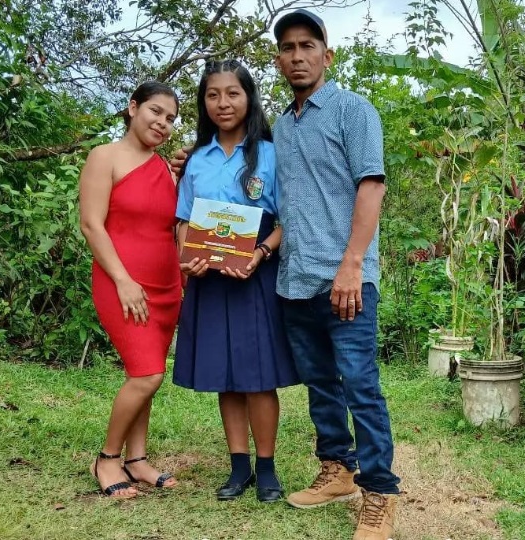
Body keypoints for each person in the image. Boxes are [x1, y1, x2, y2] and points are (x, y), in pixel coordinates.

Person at [272, 10, 399, 540]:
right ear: (279, 59)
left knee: (360, 385)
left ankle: (380, 493)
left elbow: (372, 187)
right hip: (294, 279)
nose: (297, 56)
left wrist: (351, 265)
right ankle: (337, 470)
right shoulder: (280, 125)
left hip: (346, 279)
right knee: (321, 385)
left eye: (308, 45)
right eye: (288, 47)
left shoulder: (353, 110)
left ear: (327, 53)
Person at [173, 59, 299, 504]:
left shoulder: (271, 153)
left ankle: (267, 469)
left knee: (258, 375)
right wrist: (187, 258)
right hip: (209, 280)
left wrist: (260, 253)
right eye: (212, 95)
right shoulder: (196, 160)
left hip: (255, 278)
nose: (223, 103)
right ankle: (239, 466)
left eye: (232, 93)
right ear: (203, 103)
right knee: (226, 375)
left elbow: (287, 220)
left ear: (249, 98)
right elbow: (184, 219)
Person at [79, 81, 181, 498]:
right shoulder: (104, 157)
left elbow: (175, 227)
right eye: (156, 112)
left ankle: (137, 459)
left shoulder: (165, 168)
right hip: (122, 283)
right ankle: (107, 458)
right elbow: (91, 224)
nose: (163, 123)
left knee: (148, 372)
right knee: (147, 374)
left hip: (167, 286)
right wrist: (123, 280)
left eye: (171, 118)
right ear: (132, 107)